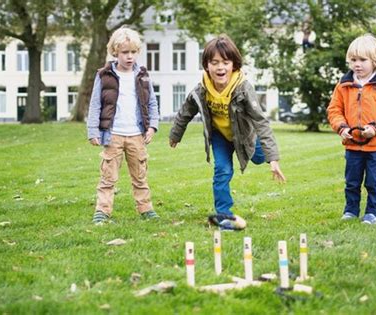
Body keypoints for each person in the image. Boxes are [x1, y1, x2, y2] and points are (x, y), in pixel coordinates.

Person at [169, 34, 286, 231]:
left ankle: (260, 153)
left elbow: (260, 121)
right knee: (222, 170)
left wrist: (273, 159)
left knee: (258, 158)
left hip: (245, 135)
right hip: (220, 136)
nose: (220, 67)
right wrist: (175, 134)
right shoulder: (201, 89)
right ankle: (223, 215)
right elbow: (186, 111)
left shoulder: (243, 89)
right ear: (207, 65)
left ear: (234, 65)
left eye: (225, 62)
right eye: (214, 62)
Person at [87, 27, 159, 224]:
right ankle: (102, 211)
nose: (129, 57)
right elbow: (95, 104)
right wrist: (93, 131)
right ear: (115, 52)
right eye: (125, 52)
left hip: (137, 135)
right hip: (113, 135)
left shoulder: (143, 76)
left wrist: (152, 127)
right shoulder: (104, 75)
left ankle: (146, 209)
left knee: (140, 176)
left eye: (133, 52)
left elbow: (152, 103)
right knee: (108, 177)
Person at [327, 34, 376, 225]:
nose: (357, 64)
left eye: (362, 60)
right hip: (352, 145)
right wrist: (342, 128)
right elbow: (334, 110)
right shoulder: (343, 85)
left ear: (375, 61)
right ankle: (351, 210)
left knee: (374, 182)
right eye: (353, 60)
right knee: (352, 182)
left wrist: (375, 128)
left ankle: (373, 213)